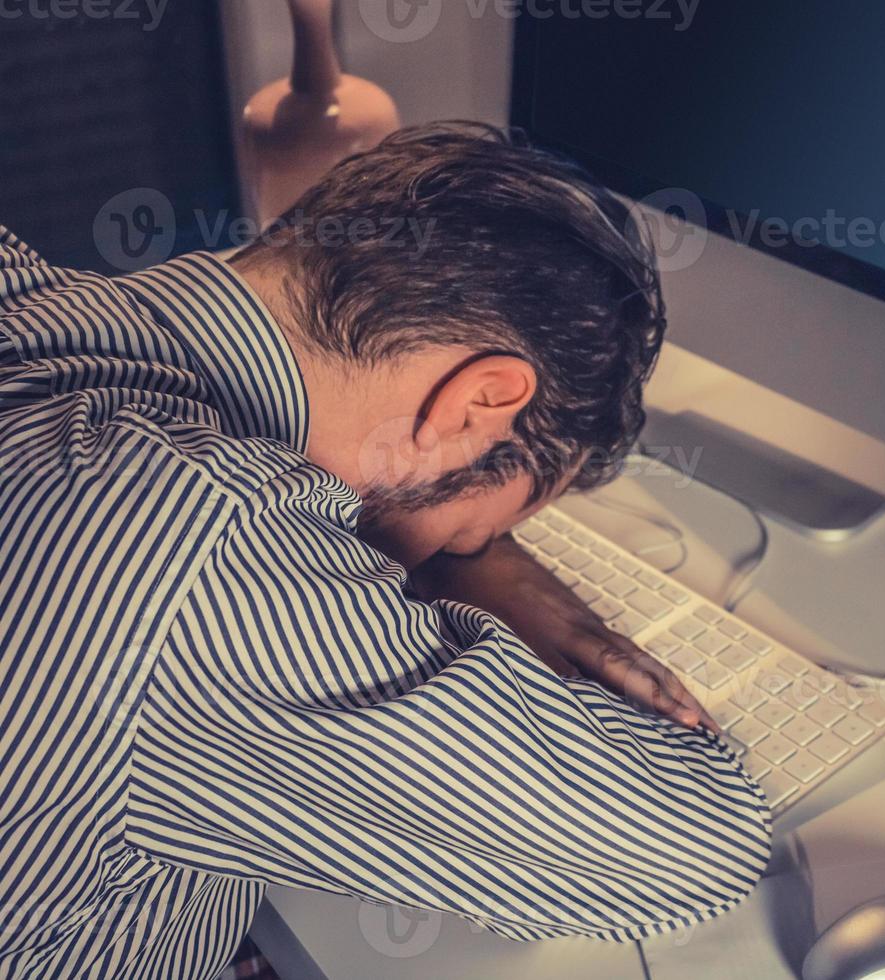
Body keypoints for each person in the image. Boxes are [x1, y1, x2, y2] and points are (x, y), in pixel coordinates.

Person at [0, 122, 771, 979]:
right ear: (480, 401)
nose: (465, 553)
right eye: (483, 531)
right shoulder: (203, 545)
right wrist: (484, 571)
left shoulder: (24, 285)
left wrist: (478, 558)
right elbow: (692, 853)